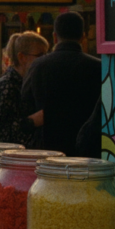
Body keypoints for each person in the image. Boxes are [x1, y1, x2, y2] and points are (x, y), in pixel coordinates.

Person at [21, 12, 101, 156]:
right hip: (86, 153)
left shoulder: (38, 66)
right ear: (83, 37)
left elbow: (25, 104)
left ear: (54, 36)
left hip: (46, 151)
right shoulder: (98, 67)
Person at [0, 32, 48, 145]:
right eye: (40, 55)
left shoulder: (27, 84)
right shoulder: (6, 87)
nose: (45, 60)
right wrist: (32, 121)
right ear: (22, 57)